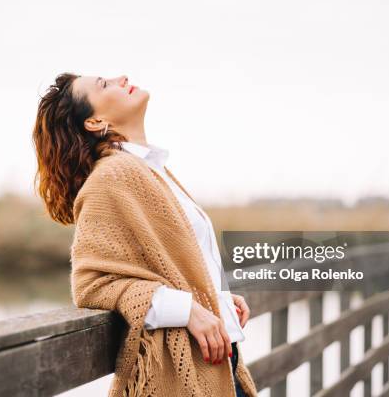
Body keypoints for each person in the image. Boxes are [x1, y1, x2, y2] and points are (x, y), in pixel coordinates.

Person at [32, 72, 258, 397]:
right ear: (95, 121)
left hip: (220, 366)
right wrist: (187, 309)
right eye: (104, 84)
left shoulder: (151, 170)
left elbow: (172, 262)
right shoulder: (109, 178)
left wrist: (216, 299)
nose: (120, 77)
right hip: (183, 379)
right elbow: (92, 286)